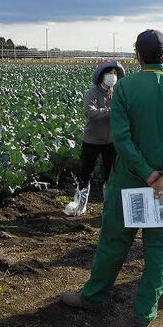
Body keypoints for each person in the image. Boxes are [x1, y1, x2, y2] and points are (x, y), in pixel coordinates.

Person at [60, 30, 163, 326]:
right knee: (158, 248)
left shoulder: (125, 89)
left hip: (130, 181)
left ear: (138, 55)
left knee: (113, 241)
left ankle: (93, 296)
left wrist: (148, 173)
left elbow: (121, 139)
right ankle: (145, 311)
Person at [64, 60, 126, 216]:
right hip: (91, 140)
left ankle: (109, 206)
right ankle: (81, 205)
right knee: (86, 173)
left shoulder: (118, 93)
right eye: (109, 73)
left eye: (114, 73)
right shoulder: (91, 93)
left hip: (110, 141)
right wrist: (111, 111)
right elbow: (90, 113)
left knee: (109, 175)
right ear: (101, 76)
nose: (112, 76)